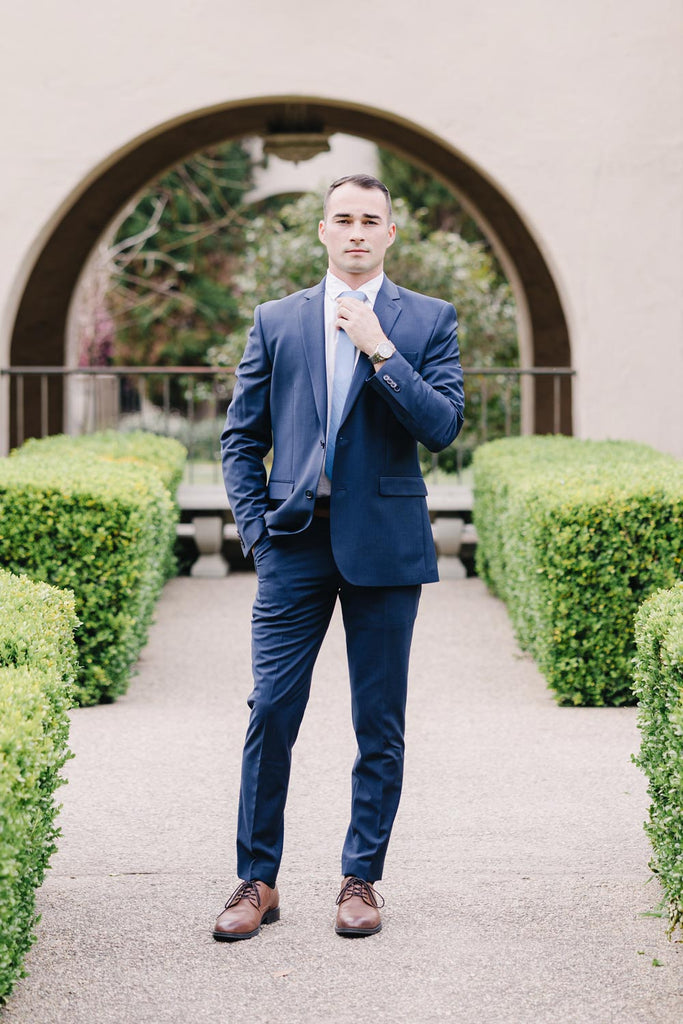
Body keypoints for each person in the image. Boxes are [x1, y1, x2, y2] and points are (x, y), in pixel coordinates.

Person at [214, 173, 464, 941]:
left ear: (391, 233)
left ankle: (361, 880)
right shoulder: (277, 320)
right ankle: (256, 880)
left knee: (377, 722)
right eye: (342, 219)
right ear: (321, 231)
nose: (356, 232)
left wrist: (381, 350)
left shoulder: (427, 320)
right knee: (271, 713)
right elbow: (240, 436)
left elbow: (442, 427)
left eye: (371, 220)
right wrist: (257, 532)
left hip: (385, 547)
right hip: (293, 543)